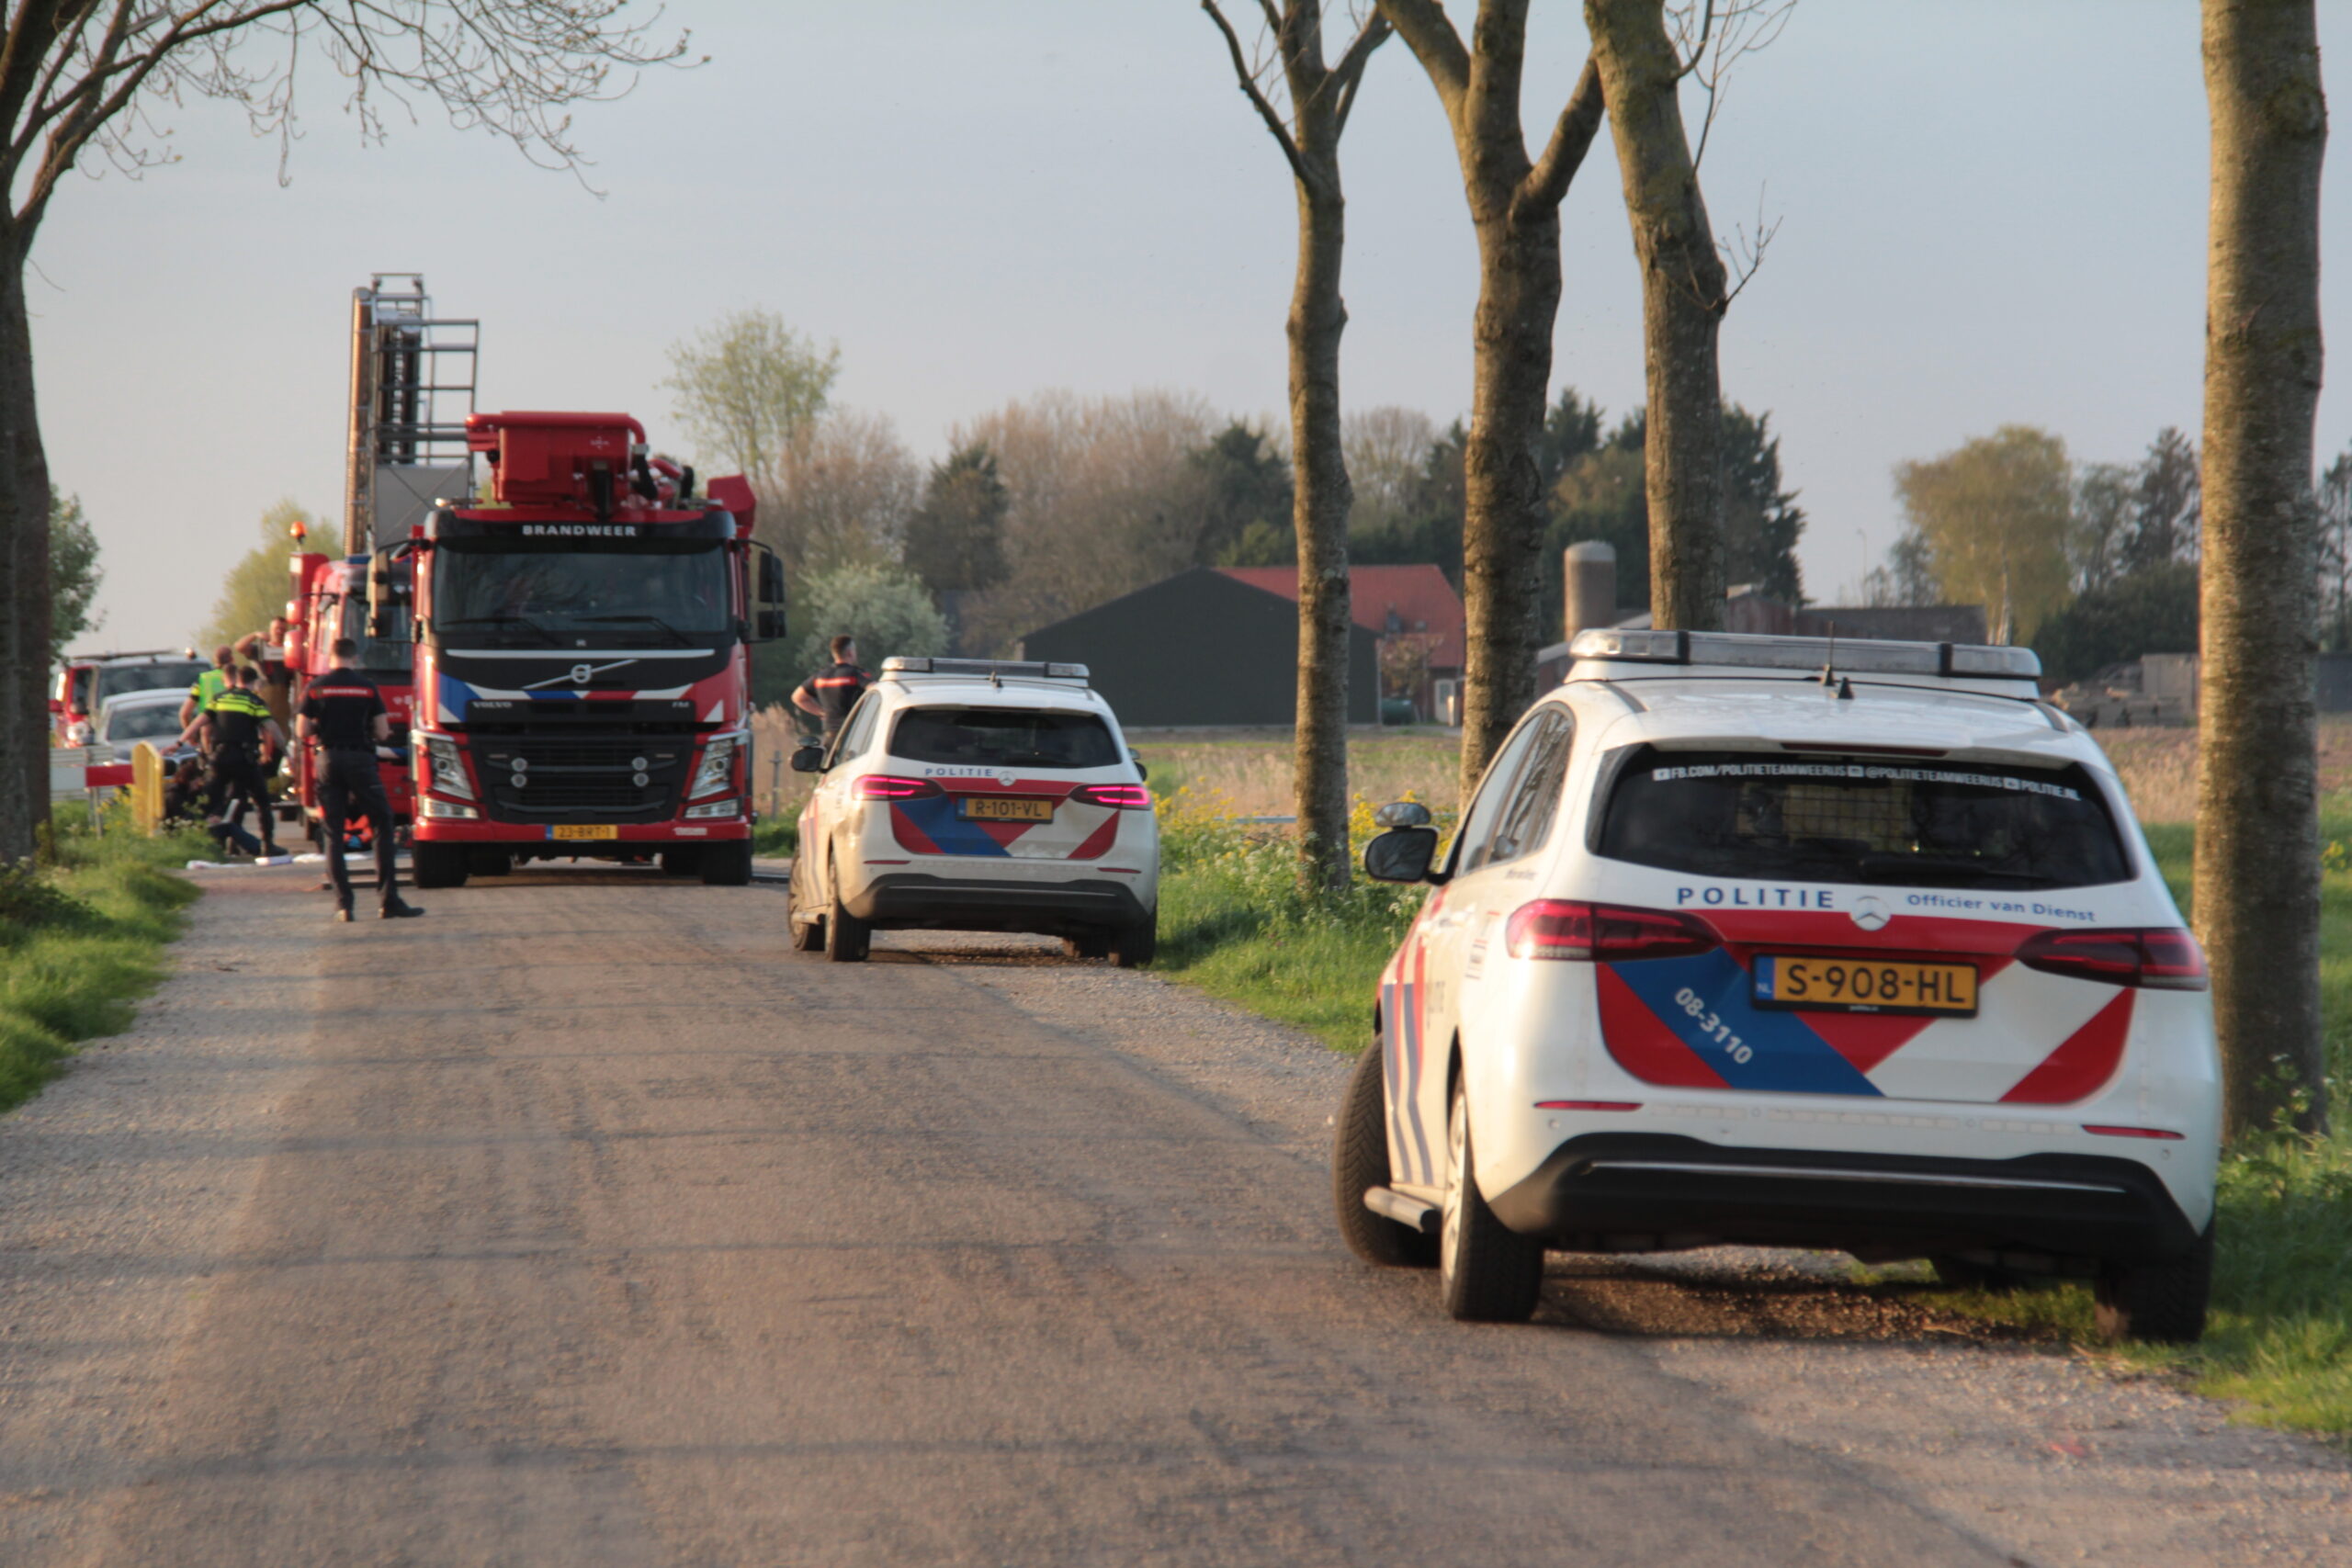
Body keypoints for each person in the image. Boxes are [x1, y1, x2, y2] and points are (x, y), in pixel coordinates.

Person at [297, 637, 422, 922]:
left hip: (328, 759)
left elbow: (302, 729)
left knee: (333, 832)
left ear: (331, 657)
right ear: (355, 658)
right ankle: (389, 901)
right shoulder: (366, 687)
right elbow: (381, 731)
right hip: (360, 760)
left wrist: (323, 726)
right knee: (382, 823)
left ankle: (344, 905)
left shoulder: (316, 687)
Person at [184, 663, 285, 859]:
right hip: (243, 760)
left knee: (208, 802)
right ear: (254, 682)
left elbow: (199, 722)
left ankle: (192, 843)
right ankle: (268, 845)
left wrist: (180, 742)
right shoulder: (254, 701)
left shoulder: (219, 698)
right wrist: (284, 750)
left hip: (219, 758)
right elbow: (270, 727)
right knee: (261, 801)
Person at [791, 636, 871, 741]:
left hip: (831, 735)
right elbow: (875, 688)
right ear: (850, 653)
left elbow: (798, 697)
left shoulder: (820, 676)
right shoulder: (855, 674)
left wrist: (821, 712)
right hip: (855, 732)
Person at [178, 644, 235, 729]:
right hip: (234, 728)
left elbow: (184, 714)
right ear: (232, 659)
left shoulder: (203, 679)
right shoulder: (239, 678)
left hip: (208, 730)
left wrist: (190, 733)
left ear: (215, 660)